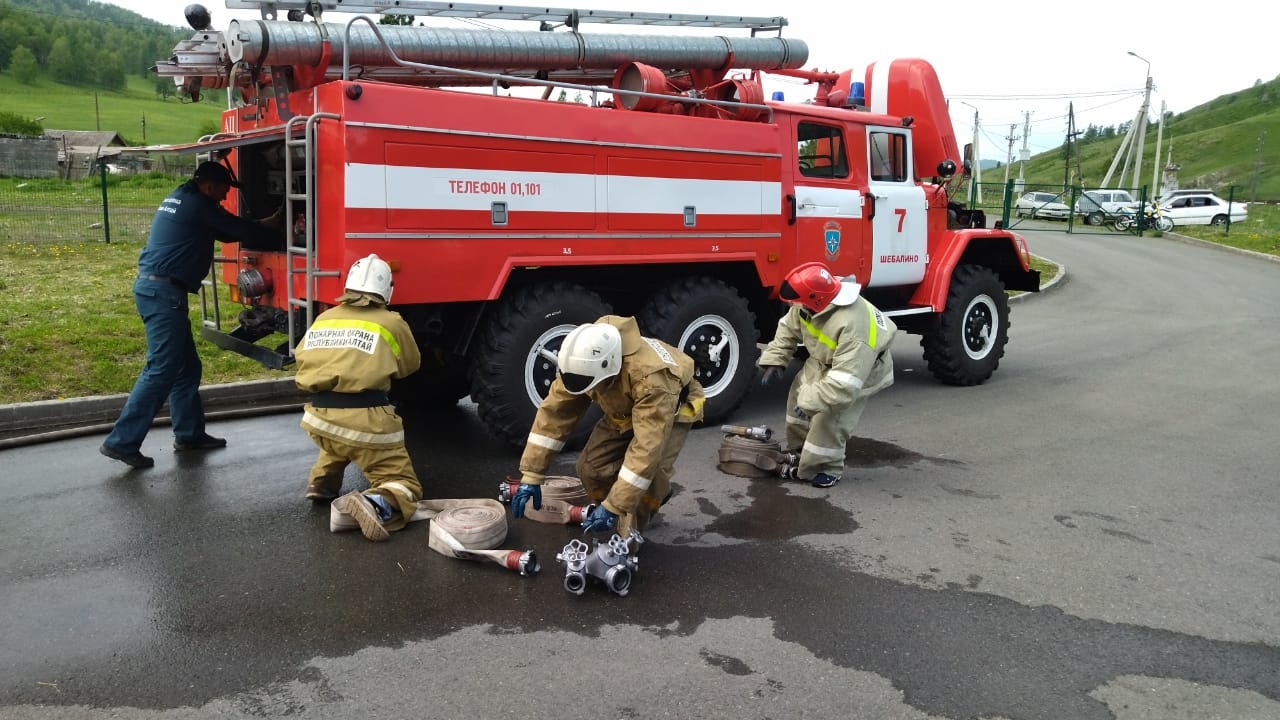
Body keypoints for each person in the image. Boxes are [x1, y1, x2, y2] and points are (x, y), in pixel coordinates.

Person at [100, 160, 283, 469]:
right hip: (162, 294)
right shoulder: (200, 205)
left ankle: (189, 434)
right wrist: (275, 223)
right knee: (161, 368)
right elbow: (236, 230)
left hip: (156, 290)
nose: (226, 195)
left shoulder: (180, 195)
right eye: (224, 189)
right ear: (209, 186)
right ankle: (122, 442)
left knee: (186, 368)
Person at [510, 315, 705, 539]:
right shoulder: (582, 360)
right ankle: (618, 507)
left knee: (643, 479)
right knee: (590, 468)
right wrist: (532, 475)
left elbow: (646, 448)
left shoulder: (651, 379)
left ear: (610, 367)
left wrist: (617, 505)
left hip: (671, 409)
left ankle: (627, 540)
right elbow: (555, 413)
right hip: (625, 408)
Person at [294, 254, 423, 543]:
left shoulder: (324, 317)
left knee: (340, 441)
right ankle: (377, 502)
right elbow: (410, 366)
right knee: (403, 483)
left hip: (318, 417)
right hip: (366, 419)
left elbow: (301, 358)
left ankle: (321, 483)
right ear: (386, 288)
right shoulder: (391, 322)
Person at [758, 261, 897, 488]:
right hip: (824, 360)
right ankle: (802, 451)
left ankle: (826, 468)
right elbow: (788, 328)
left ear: (817, 300)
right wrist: (776, 359)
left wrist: (812, 402)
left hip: (860, 371)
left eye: (799, 302)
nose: (795, 305)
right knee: (798, 397)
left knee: (830, 417)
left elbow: (844, 385)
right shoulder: (812, 301)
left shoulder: (854, 327)